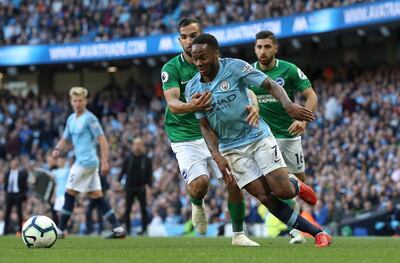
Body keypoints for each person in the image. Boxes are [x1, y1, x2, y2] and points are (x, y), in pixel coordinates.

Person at [185, 33, 331, 247]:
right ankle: (318, 234)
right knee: (264, 197)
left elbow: (271, 85)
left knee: (282, 191)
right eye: (194, 58)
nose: (198, 63)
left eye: (203, 57)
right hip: (231, 149)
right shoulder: (192, 88)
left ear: (216, 53)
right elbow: (204, 126)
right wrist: (217, 156)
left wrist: (288, 105)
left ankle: (295, 186)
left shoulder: (235, 68)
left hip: (257, 136)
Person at [161, 17, 259, 246]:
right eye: (184, 37)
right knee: (200, 184)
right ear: (179, 40)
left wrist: (255, 106)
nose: (188, 41)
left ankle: (239, 235)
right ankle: (196, 203)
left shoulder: (219, 64)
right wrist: (193, 106)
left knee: (232, 180)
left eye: (193, 35)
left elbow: (247, 89)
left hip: (215, 131)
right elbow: (172, 104)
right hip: (184, 134)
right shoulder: (171, 68)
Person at [250, 30, 319, 244]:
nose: (263, 51)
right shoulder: (248, 72)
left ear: (275, 48)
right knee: (278, 186)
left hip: (289, 135)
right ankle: (295, 231)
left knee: (298, 183)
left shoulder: (288, 70)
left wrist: (303, 120)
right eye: (259, 47)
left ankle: (297, 227)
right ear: (255, 48)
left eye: (267, 46)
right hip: (263, 138)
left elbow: (311, 96)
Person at [52, 87, 125, 239]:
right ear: (71, 102)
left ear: (85, 101)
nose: (77, 103)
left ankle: (60, 230)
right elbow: (65, 138)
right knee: (97, 197)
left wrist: (105, 160)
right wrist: (57, 149)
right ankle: (118, 229)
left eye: (80, 100)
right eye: (75, 101)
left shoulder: (90, 118)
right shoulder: (71, 119)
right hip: (85, 163)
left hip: (86, 162)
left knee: (69, 192)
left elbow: (102, 139)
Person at [118, 137, 152, 236]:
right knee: (127, 209)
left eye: (139, 144)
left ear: (142, 146)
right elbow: (123, 171)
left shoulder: (146, 159)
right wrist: (118, 181)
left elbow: (149, 174)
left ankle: (144, 229)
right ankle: (128, 229)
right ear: (133, 146)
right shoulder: (128, 158)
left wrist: (149, 187)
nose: (137, 147)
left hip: (141, 187)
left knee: (143, 209)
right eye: (135, 144)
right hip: (129, 187)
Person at [3, 157, 28, 235]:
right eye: (12, 163)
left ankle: (20, 230)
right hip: (10, 194)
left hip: (18, 194)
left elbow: (25, 186)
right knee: (7, 212)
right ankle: (5, 230)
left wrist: (22, 195)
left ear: (17, 164)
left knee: (19, 212)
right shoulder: (7, 173)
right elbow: (5, 184)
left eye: (15, 163)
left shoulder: (21, 173)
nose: (13, 164)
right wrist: (6, 192)